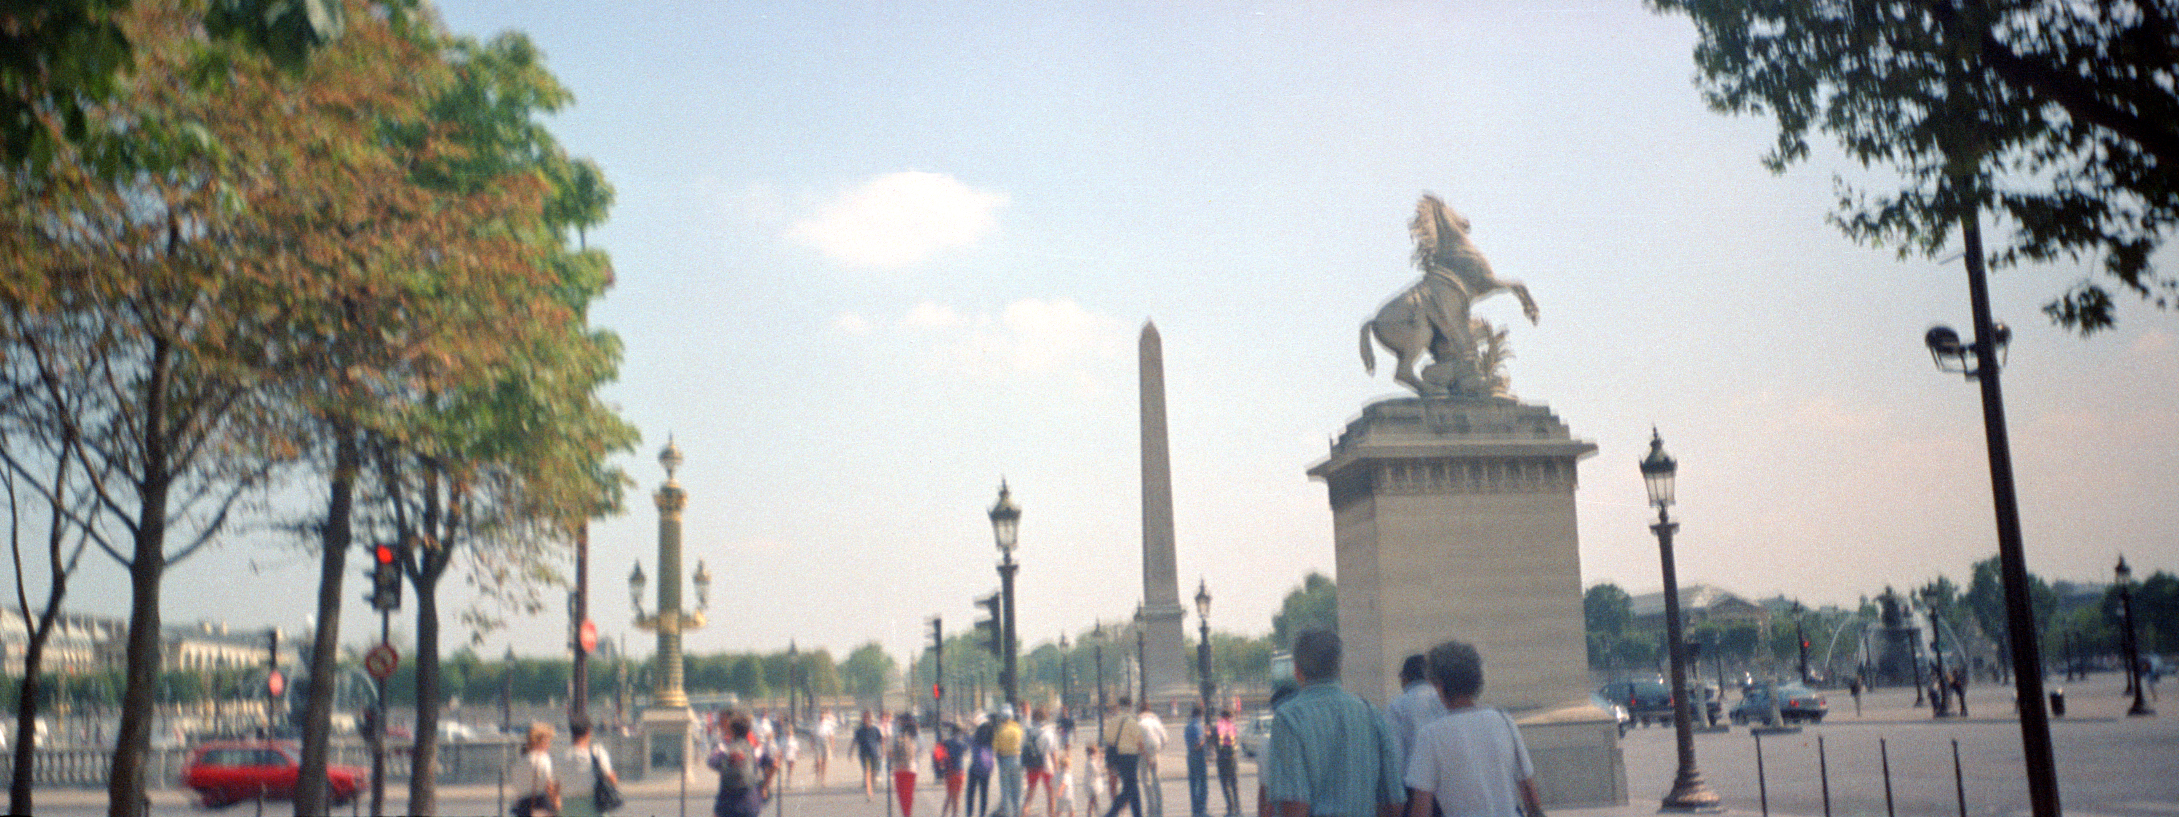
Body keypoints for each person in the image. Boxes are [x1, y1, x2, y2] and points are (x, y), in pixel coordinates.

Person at [1263, 630, 1403, 817]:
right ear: (1339, 667)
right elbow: (1393, 803)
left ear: (1297, 670)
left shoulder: (1289, 718)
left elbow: (1294, 806)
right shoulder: (1371, 714)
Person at [1401, 640, 1542, 817]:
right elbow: (1529, 792)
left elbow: (1422, 807)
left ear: (1440, 685)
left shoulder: (1431, 735)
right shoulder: (1503, 720)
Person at [1386, 654, 1449, 771]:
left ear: (1405, 677)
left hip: (1414, 776)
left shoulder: (1397, 705)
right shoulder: (1445, 700)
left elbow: (1395, 754)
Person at [709, 711, 774, 817]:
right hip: (750, 803)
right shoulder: (755, 748)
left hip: (727, 805)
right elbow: (773, 764)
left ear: (732, 731)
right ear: (748, 731)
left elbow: (712, 762)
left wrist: (727, 765)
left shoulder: (725, 747)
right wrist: (764, 786)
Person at [562, 717, 618, 817]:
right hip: (593, 806)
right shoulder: (597, 752)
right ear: (588, 732)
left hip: (568, 807)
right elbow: (611, 779)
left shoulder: (563, 756)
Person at [1099, 697, 1145, 817]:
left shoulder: (1112, 721)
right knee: (1129, 788)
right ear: (1130, 706)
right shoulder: (1131, 721)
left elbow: (1108, 739)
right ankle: (1111, 813)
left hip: (1118, 757)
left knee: (1132, 787)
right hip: (1130, 757)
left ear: (1119, 705)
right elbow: (1139, 741)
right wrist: (1147, 757)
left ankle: (1137, 814)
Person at [510, 722, 559, 817]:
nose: (549, 746)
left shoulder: (519, 762)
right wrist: (556, 802)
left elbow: (517, 788)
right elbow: (549, 785)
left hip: (522, 807)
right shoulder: (544, 758)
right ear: (541, 742)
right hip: (541, 805)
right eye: (548, 742)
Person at [994, 706, 1026, 817]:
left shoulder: (999, 730)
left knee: (1006, 792)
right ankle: (1018, 813)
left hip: (1004, 761)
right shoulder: (1018, 728)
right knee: (1018, 791)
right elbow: (1023, 743)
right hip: (1017, 759)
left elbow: (995, 747)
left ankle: (1007, 814)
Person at [1025, 708, 1056, 817]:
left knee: (1029, 796)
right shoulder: (1048, 732)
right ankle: (1051, 815)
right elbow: (1053, 752)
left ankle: (1024, 813)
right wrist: (1056, 768)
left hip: (1032, 765)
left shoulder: (1029, 731)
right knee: (1051, 794)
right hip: (1046, 765)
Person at [1136, 704, 1167, 815]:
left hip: (1144, 753)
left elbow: (1138, 742)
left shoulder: (1139, 723)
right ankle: (1159, 809)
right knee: (1156, 780)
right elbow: (1165, 739)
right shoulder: (1156, 721)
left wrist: (1145, 755)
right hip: (1155, 751)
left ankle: (1151, 809)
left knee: (1146, 782)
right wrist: (1158, 750)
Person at [892, 713, 923, 816]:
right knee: (909, 795)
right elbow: (921, 749)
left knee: (901, 796)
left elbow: (892, 750)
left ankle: (905, 814)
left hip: (898, 768)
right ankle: (908, 814)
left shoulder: (897, 733)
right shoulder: (916, 734)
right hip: (912, 768)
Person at [968, 714, 997, 817]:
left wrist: (973, 726)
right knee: (984, 793)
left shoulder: (975, 739)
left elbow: (967, 739)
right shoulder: (991, 740)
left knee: (971, 793)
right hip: (986, 769)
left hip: (974, 767)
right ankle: (982, 814)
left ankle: (969, 813)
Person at [938, 721, 969, 817]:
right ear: (960, 732)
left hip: (949, 772)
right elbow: (967, 746)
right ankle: (954, 815)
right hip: (959, 771)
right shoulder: (961, 744)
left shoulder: (947, 742)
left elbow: (939, 752)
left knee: (949, 795)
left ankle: (943, 814)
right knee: (957, 797)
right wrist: (966, 733)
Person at [1213, 709, 1240, 816]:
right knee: (1234, 784)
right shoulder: (1233, 727)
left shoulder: (1218, 727)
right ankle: (1238, 808)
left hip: (1223, 759)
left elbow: (1215, 742)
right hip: (1233, 758)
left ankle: (1230, 809)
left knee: (1225, 784)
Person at [1185, 705, 1210, 817]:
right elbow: (1198, 744)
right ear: (1200, 714)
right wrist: (1206, 735)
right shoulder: (1198, 726)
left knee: (1193, 784)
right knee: (1202, 784)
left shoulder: (1188, 726)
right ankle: (1202, 810)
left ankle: (1195, 809)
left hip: (1190, 756)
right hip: (1199, 756)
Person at [856, 710, 886, 800]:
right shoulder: (859, 730)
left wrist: (883, 750)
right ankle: (869, 792)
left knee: (874, 772)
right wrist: (850, 752)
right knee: (867, 772)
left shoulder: (875, 729)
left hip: (874, 753)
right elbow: (855, 741)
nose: (865, 720)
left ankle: (872, 785)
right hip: (863, 753)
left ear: (870, 719)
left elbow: (881, 741)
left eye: (867, 718)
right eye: (864, 718)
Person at [815, 709, 837, 787]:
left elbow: (831, 735)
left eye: (822, 715)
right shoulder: (816, 723)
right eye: (820, 715)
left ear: (824, 716)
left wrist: (833, 746)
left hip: (826, 741)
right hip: (818, 741)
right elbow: (812, 734)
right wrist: (812, 743)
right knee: (818, 761)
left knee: (824, 762)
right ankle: (817, 777)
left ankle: (823, 780)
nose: (821, 717)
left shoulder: (828, 724)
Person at [1053, 750, 1079, 817]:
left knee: (1058, 811)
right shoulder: (1066, 774)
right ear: (1067, 766)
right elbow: (1063, 783)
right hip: (1068, 796)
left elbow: (1053, 781)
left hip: (1061, 797)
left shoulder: (1058, 773)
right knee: (1071, 811)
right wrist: (1059, 791)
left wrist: (1056, 791)